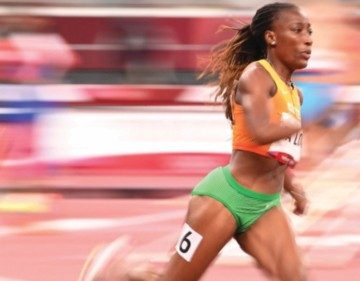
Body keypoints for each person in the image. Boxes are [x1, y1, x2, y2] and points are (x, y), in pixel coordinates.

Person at [79, 2, 312, 281]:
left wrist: (291, 184)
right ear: (271, 37)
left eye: (310, 32)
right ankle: (119, 274)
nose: (308, 39)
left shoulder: (295, 95)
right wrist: (299, 122)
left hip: (264, 205)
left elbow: (272, 150)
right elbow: (261, 131)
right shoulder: (256, 76)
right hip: (224, 200)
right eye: (297, 30)